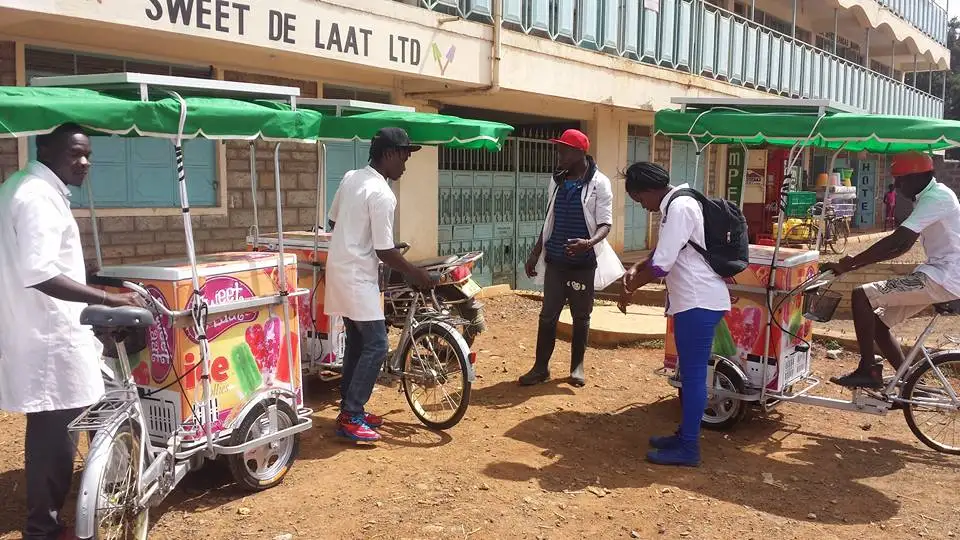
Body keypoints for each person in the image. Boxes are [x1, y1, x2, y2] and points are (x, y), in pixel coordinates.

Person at [0, 123, 145, 540]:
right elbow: (41, 271)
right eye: (73, 154)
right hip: (49, 334)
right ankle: (42, 529)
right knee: (56, 434)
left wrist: (92, 276)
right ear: (43, 148)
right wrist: (105, 296)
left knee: (56, 425)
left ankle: (54, 518)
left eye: (88, 156)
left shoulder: (22, 186)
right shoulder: (36, 198)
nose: (83, 163)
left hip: (36, 328)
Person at [325, 127, 433, 443]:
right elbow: (384, 252)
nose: (405, 165)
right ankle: (351, 416)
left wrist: (360, 236)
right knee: (376, 345)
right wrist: (416, 274)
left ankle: (349, 408)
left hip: (340, 272)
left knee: (358, 344)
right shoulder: (383, 193)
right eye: (403, 156)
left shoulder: (350, 178)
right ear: (388, 154)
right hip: (358, 278)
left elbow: (334, 221)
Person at [619, 162, 730, 467]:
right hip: (696, 300)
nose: (643, 207)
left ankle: (689, 448)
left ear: (651, 190)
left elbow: (662, 264)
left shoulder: (679, 207)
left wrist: (629, 289)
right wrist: (636, 267)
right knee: (689, 374)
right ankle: (685, 436)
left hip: (698, 301)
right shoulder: (678, 204)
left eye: (641, 200)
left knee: (693, 378)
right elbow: (663, 253)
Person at [824, 152, 960, 389]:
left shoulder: (936, 198)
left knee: (861, 295)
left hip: (943, 277)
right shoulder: (929, 197)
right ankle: (909, 385)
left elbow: (898, 239)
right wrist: (852, 265)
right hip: (938, 276)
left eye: (901, 179)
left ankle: (868, 369)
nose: (897, 186)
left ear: (917, 177)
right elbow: (902, 248)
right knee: (877, 324)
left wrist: (850, 262)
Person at [520, 129, 623, 387]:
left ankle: (577, 367)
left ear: (579, 152)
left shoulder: (600, 183)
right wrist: (535, 253)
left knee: (581, 316)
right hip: (556, 262)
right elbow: (549, 221)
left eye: (564, 150)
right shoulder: (557, 180)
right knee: (547, 316)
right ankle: (540, 368)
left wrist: (588, 243)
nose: (559, 155)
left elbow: (605, 224)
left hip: (582, 266)